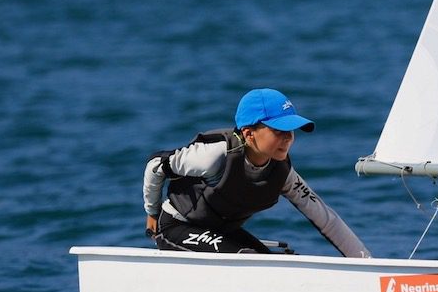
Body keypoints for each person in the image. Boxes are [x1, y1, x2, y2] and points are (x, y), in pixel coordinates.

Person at [143, 88, 370, 257]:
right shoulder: (215, 155)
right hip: (177, 226)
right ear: (249, 133)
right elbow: (156, 165)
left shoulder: (283, 173)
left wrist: (368, 264)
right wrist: (152, 212)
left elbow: (327, 220)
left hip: (220, 231)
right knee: (248, 260)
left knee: (276, 264)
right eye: (279, 130)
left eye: (291, 130)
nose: (288, 138)